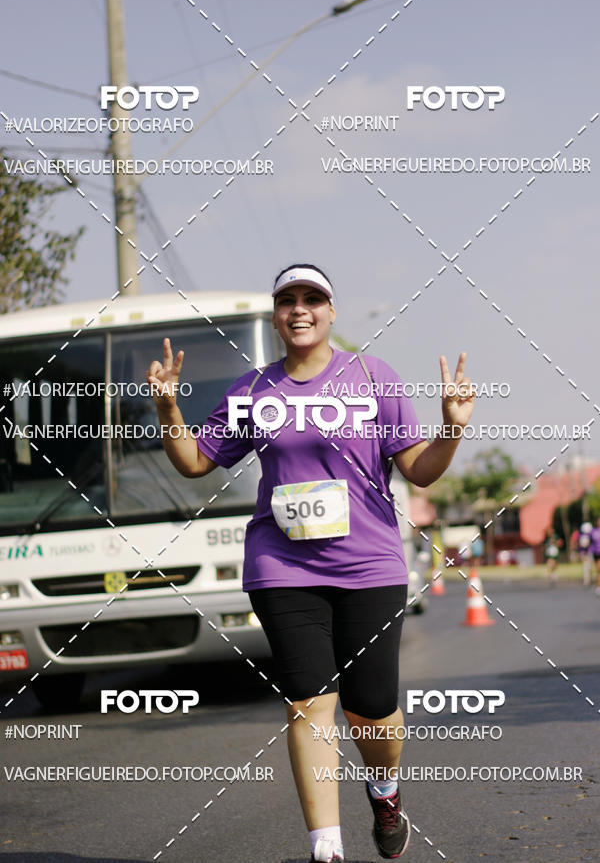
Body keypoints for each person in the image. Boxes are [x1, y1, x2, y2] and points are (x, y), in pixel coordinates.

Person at [146, 264, 475, 863]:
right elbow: (196, 462)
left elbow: (418, 468)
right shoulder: (252, 391)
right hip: (282, 568)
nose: (300, 309)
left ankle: (384, 790)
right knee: (307, 702)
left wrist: (450, 432)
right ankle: (327, 849)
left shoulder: (373, 377)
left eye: (313, 299)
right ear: (276, 315)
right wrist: (169, 408)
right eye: (288, 300)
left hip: (368, 566)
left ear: (331, 311)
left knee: (372, 710)